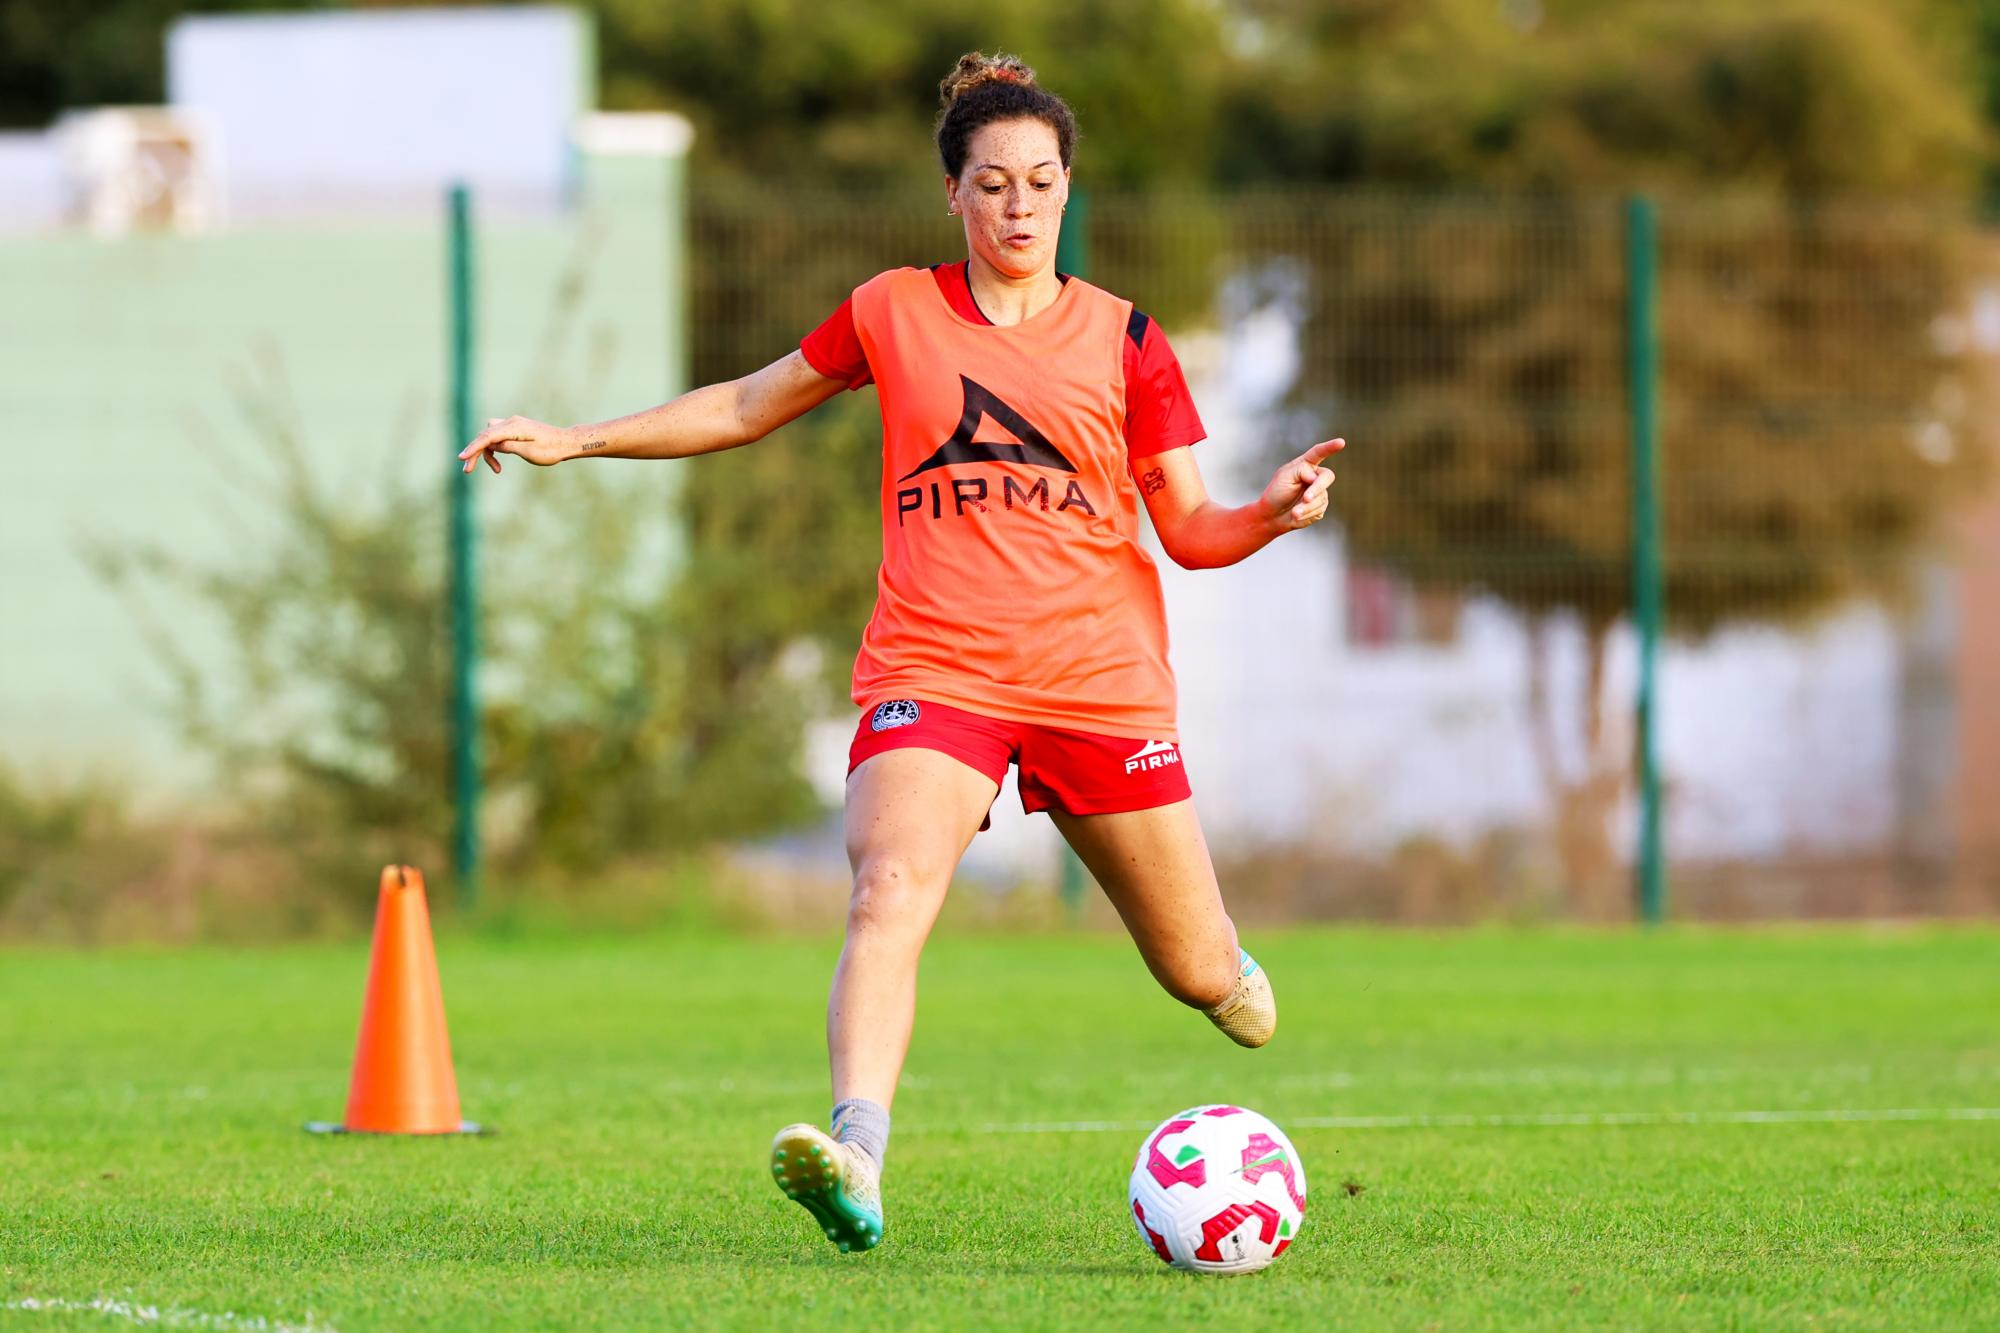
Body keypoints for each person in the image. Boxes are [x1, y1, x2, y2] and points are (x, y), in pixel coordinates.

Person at [460, 50, 1342, 1255]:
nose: (1017, 206)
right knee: (885, 886)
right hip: (933, 670)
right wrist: (575, 439)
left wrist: (1271, 511)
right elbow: (742, 405)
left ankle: (1220, 965)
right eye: (991, 184)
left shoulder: (1129, 341)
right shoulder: (892, 309)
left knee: (1197, 978)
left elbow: (1189, 532)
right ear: (953, 195)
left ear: (1068, 189)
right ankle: (857, 1157)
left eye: (1038, 182)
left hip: (1098, 682)